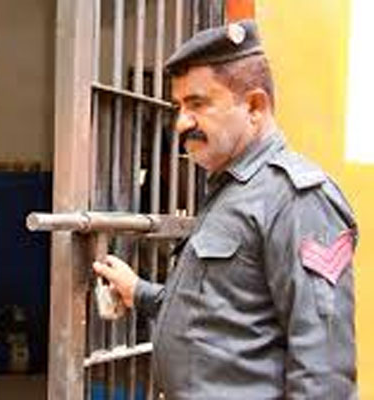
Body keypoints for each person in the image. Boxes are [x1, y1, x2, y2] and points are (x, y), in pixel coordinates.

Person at [92, 19, 358, 399]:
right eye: (179, 106)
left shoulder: (296, 199)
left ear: (254, 106)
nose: (181, 122)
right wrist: (139, 292)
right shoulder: (232, 190)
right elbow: (222, 314)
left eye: (197, 104)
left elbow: (324, 373)